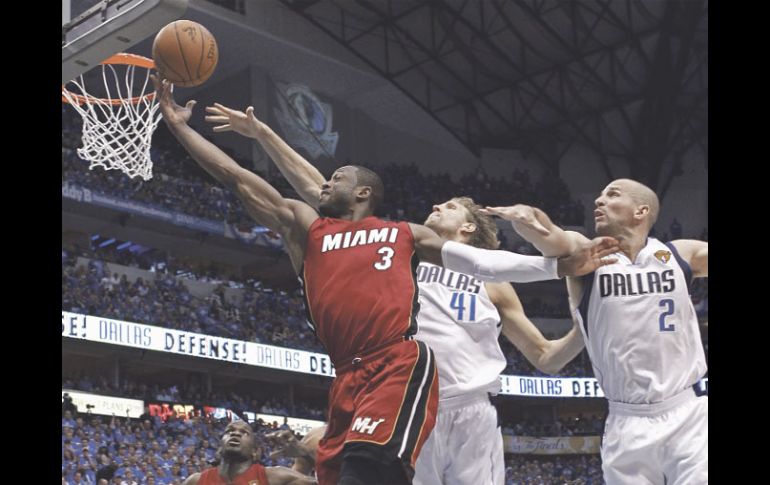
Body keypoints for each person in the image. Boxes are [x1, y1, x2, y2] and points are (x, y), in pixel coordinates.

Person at [153, 75, 618, 485]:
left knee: (365, 469)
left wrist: (558, 269)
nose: (435, 208)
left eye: (448, 206)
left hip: (423, 382)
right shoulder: (346, 236)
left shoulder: (413, 242)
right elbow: (260, 180)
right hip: (358, 377)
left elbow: (486, 269)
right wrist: (196, 128)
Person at [482, 178, 708, 484]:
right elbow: (550, 237)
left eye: (612, 195)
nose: (598, 201)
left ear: (640, 211)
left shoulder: (680, 253)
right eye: (599, 195)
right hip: (626, 420)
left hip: (690, 411)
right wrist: (529, 217)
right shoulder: (585, 254)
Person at [182, 420, 316, 485]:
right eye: (229, 431)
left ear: (255, 452)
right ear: (219, 448)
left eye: (244, 433)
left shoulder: (275, 476)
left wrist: (307, 453)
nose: (235, 433)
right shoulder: (195, 481)